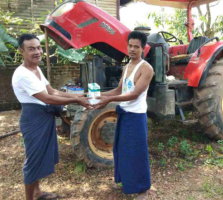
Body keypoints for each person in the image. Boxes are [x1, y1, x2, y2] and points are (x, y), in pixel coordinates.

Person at [12, 34, 91, 200]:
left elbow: (52, 91)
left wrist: (79, 93)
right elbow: (47, 98)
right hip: (34, 119)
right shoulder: (23, 74)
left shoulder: (36, 69)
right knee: (33, 160)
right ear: (21, 51)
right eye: (31, 49)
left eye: (39, 47)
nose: (37, 52)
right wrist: (76, 99)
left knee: (39, 157)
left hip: (43, 117)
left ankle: (37, 192)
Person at [93, 31, 154, 200]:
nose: (132, 49)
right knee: (122, 150)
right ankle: (127, 182)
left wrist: (109, 100)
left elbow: (134, 94)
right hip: (125, 114)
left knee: (138, 152)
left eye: (136, 46)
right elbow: (119, 90)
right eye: (130, 46)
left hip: (136, 116)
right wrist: (99, 96)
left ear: (143, 48)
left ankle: (143, 190)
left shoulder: (146, 69)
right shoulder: (127, 67)